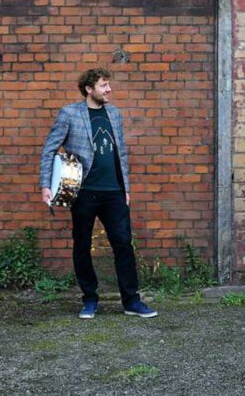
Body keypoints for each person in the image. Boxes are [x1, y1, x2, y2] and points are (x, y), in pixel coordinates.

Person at [39, 68, 157, 319]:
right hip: (82, 192)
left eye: (108, 85)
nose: (109, 89)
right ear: (89, 89)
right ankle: (90, 299)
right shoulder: (70, 113)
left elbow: (121, 153)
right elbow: (49, 149)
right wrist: (45, 185)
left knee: (123, 244)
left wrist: (125, 188)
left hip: (114, 191)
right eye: (104, 85)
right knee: (82, 245)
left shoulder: (114, 113)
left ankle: (131, 301)